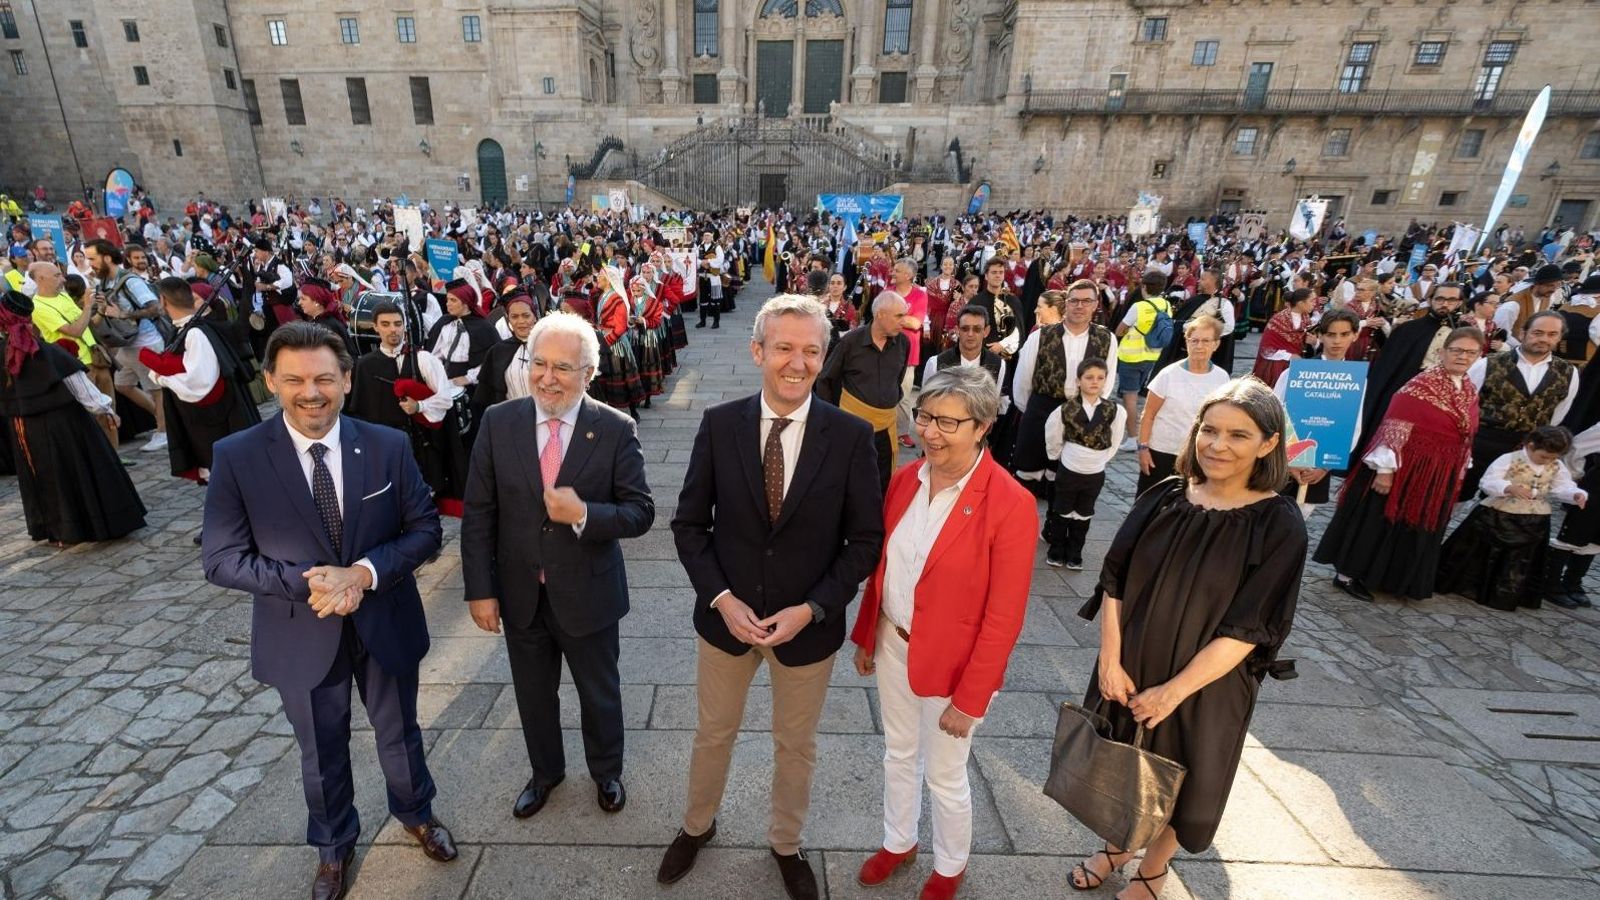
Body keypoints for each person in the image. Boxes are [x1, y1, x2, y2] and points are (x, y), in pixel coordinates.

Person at [201, 322, 456, 900]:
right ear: (270, 381)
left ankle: (417, 813)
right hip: (300, 632)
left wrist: (363, 574)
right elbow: (220, 559)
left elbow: (425, 530)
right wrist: (308, 582)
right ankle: (333, 847)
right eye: (293, 379)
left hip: (384, 619)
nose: (310, 392)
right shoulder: (237, 457)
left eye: (323, 378)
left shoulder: (387, 444)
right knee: (321, 751)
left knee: (400, 733)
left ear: (346, 379)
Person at [662, 294, 883, 900]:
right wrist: (722, 600)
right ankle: (695, 826)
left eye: (812, 350)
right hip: (726, 623)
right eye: (784, 347)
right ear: (758, 350)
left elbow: (865, 541)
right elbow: (688, 526)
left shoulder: (851, 436)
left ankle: (786, 843)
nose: (797, 362)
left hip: (806, 629)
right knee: (713, 733)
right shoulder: (718, 424)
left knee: (795, 746)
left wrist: (812, 608)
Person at [1072, 377, 1305, 900]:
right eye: (1210, 429)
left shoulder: (1279, 524)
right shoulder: (1165, 495)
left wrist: (1174, 691)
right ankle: (1116, 847)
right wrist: (1109, 658)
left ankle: (1153, 869)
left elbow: (1250, 627)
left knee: (1185, 779)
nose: (1218, 445)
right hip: (1132, 661)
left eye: (1239, 435)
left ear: (1268, 444)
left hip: (1207, 684)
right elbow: (1115, 578)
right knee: (1121, 762)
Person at [850, 366, 1037, 900]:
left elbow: (1005, 615)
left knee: (946, 774)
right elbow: (887, 568)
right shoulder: (906, 479)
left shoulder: (1010, 503)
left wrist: (972, 697)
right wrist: (869, 634)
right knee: (897, 752)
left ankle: (950, 865)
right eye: (925, 416)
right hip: (894, 643)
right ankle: (898, 841)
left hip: (956, 666)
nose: (928, 432)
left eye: (947, 423)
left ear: (981, 427)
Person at [460, 311, 654, 821]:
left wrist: (586, 514)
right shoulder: (499, 423)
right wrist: (480, 590)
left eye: (563, 368)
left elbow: (640, 512)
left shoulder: (614, 429)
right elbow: (479, 512)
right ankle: (545, 773)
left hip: (589, 594)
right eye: (539, 363)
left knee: (600, 692)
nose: (547, 377)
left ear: (588, 374)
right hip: (521, 593)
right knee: (532, 694)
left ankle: (606, 771)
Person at [1314, 326, 1485, 601]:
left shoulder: (1469, 390)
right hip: (1402, 467)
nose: (1463, 357)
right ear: (1442, 352)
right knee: (1377, 521)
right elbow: (1393, 426)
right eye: (1457, 350)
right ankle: (1348, 574)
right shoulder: (1420, 386)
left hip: (1438, 470)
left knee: (1413, 524)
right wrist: (1385, 470)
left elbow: (1467, 433)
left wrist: (1461, 465)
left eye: (1470, 352)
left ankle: (1390, 577)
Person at [0, 290, 146, 544]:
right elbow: (79, 385)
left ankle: (60, 531)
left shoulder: (18, 352)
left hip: (25, 428)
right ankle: (85, 526)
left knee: (47, 476)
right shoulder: (44, 351)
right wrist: (106, 409)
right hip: (64, 423)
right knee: (75, 473)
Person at [1437, 426, 1585, 611]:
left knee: (1521, 559)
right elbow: (1487, 481)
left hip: (1535, 517)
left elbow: (1562, 486)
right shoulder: (1509, 459)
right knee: (1484, 550)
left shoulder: (1556, 465)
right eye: (1543, 457)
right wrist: (1507, 488)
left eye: (1553, 458)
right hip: (1499, 513)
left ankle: (1509, 593)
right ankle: (1473, 584)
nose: (1548, 461)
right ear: (1530, 446)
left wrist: (1575, 494)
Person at [347, 301, 470, 517]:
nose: (392, 329)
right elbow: (360, 411)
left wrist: (419, 406)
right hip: (384, 445)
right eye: (385, 324)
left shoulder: (423, 359)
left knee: (424, 496)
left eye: (397, 323)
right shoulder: (365, 364)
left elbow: (445, 399)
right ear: (375, 327)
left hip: (420, 443)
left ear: (405, 325)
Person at [138, 276, 261, 483]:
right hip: (204, 423)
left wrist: (162, 378)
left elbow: (199, 383)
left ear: (163, 300)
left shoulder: (195, 333)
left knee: (232, 480)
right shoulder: (185, 329)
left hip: (214, 424)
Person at [1460, 311, 1578, 499]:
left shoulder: (1568, 372)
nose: (1544, 339)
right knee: (1459, 495)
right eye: (1537, 332)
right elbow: (1464, 403)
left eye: (1552, 334)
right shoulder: (1488, 363)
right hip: (1481, 443)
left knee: (1504, 505)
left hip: (1525, 451)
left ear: (1560, 337)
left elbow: (1558, 412)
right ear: (1523, 334)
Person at [1012, 282, 1118, 491]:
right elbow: (1023, 381)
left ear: (1096, 304)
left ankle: (1054, 519)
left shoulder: (1106, 339)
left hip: (1078, 412)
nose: (1080, 306)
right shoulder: (1041, 336)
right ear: (1066, 303)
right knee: (1027, 473)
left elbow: (1107, 382)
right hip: (1041, 407)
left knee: (1062, 478)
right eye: (1074, 300)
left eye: (1086, 301)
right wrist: (1033, 410)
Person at [1355, 281, 1464, 455]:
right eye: (1440, 299)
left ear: (1459, 302)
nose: (1445, 304)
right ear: (1430, 299)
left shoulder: (1463, 335)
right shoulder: (1408, 330)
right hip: (1404, 396)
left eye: (1451, 300)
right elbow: (1385, 371)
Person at [817, 291, 911, 492]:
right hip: (853, 425)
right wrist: (833, 415)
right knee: (851, 479)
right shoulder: (850, 342)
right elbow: (825, 379)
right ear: (880, 315)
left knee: (883, 481)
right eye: (899, 316)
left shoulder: (903, 343)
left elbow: (898, 379)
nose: (904, 321)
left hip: (886, 426)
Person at [85, 239, 169, 454]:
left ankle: (163, 430)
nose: (90, 263)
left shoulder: (131, 281)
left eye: (92, 258)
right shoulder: (103, 283)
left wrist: (123, 314)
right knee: (123, 385)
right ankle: (164, 420)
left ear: (106, 257)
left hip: (146, 342)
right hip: (126, 345)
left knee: (156, 388)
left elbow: (154, 309)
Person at [1134, 316, 1232, 496]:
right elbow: (1148, 414)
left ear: (1216, 344)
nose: (1199, 346)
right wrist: (1143, 448)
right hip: (1162, 452)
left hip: (1199, 455)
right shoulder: (1168, 375)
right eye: (1194, 340)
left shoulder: (1222, 378)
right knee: (1150, 505)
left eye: (1205, 341)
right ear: (1186, 342)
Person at [1044, 358, 1125, 569]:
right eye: (1089, 377)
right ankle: (1056, 550)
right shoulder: (1065, 409)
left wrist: (1100, 459)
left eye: (1100, 378)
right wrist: (1061, 456)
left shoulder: (1114, 411)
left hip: (1094, 472)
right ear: (1079, 380)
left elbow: (1115, 440)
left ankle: (1075, 552)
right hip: (1069, 469)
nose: (1094, 382)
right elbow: (1053, 436)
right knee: (1062, 509)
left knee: (1084, 512)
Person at [1114, 273, 1173, 451]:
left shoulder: (1139, 307)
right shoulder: (1166, 304)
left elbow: (1119, 330)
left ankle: (1133, 438)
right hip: (1152, 355)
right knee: (1137, 394)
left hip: (1131, 356)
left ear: (1144, 287)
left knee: (1129, 398)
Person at [891, 259, 929, 447]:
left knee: (904, 395)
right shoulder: (887, 291)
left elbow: (916, 323)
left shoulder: (920, 295)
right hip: (886, 349)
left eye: (897, 270)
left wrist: (892, 316)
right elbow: (878, 315)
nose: (893, 272)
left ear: (908, 275)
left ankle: (902, 431)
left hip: (909, 354)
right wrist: (904, 318)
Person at [1250, 287, 1314, 385]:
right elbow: (1266, 348)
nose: (1314, 303)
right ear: (1301, 303)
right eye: (1312, 300)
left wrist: (1314, 342)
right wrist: (1289, 355)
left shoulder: (1307, 320)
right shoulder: (1278, 320)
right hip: (1276, 366)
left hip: (1298, 366)